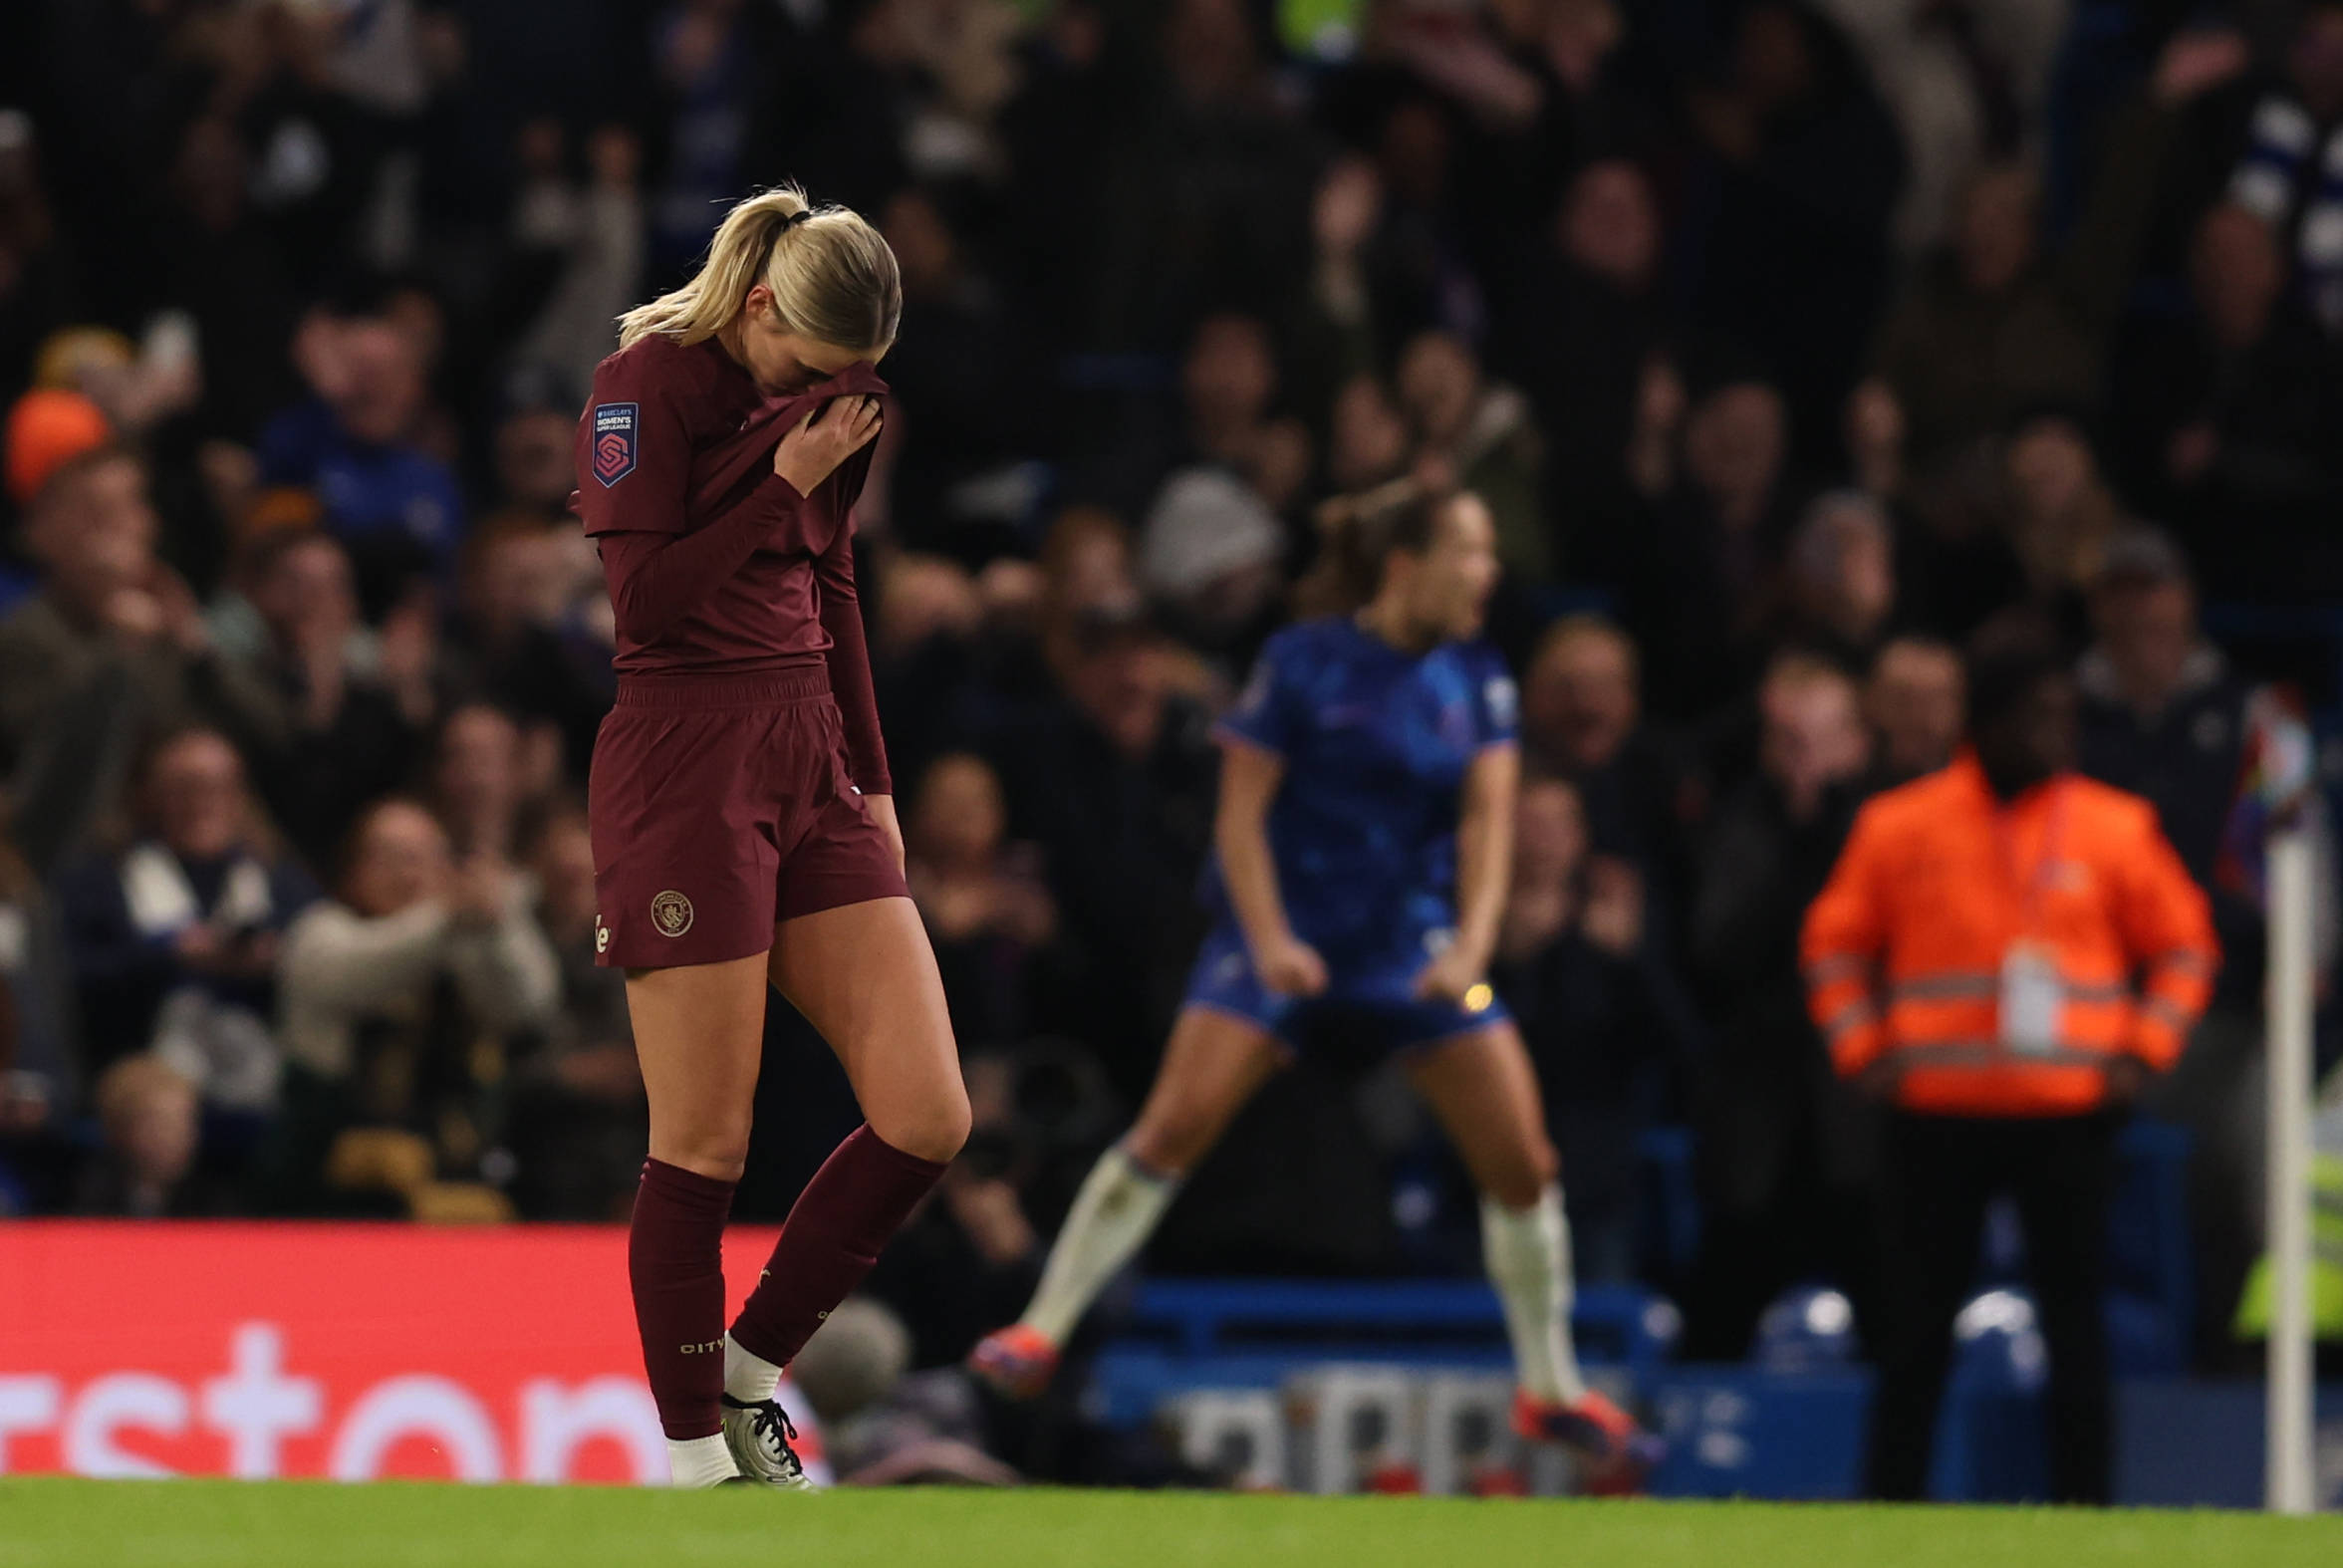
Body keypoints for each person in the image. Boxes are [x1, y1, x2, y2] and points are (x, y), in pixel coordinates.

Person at [969, 486, 1658, 1480]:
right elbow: (1241, 815)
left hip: (1405, 944)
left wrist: (1469, 944)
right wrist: (1269, 935)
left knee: (1526, 1159)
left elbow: (1486, 823)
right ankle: (1039, 1329)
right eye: (1468, 552)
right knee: (1173, 1128)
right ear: (1406, 562)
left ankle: (1548, 1384)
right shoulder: (1303, 661)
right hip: (1278, 932)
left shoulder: (1480, 679)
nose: (1487, 573)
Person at [576, 183, 968, 1489]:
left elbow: (834, 578)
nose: (832, 394)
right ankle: (695, 1457)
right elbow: (646, 609)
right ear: (757, 308)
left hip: (811, 755)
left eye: (853, 377)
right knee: (704, 1139)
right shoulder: (643, 390)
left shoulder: (839, 397)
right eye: (811, 366)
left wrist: (877, 777)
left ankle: (748, 1374)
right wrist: (777, 484)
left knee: (927, 1112)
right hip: (687, 758)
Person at [1801, 618, 2218, 1502]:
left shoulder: (2115, 826)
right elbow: (1832, 947)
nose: (2056, 735)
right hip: (1935, 1116)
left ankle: (2087, 1520)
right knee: (1913, 1334)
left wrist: (2143, 1053)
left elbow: (2186, 949)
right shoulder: (1899, 825)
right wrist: (1862, 1050)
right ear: (1983, 725)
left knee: (2077, 1331)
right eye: (2036, 716)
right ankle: (1888, 1519)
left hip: (2069, 1115)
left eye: (2066, 716)